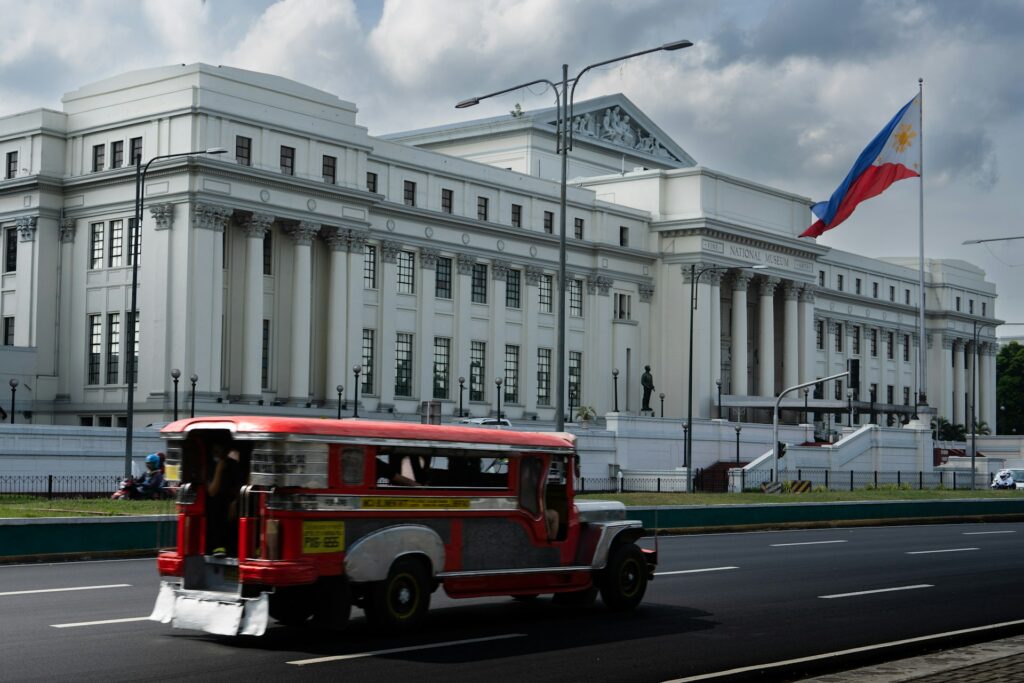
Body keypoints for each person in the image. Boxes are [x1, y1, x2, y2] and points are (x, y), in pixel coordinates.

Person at [206, 442, 245, 556]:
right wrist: (219, 468)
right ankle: (218, 547)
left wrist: (234, 502)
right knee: (215, 507)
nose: (219, 455)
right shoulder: (209, 466)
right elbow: (212, 491)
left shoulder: (232, 464)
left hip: (232, 501)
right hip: (215, 504)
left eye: (221, 452)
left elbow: (240, 486)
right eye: (216, 452)